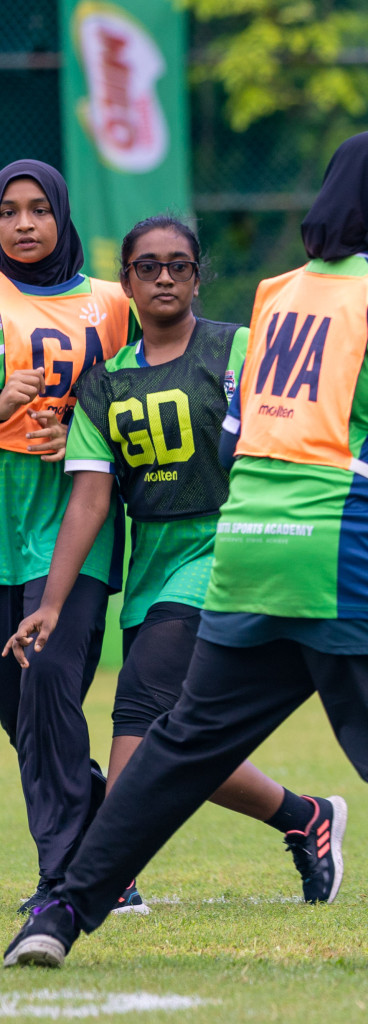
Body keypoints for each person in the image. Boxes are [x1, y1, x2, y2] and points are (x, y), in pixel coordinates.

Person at [4, 131, 368, 972]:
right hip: (346, 556)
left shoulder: (279, 296)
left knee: (182, 747)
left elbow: (251, 431)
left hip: (247, 551)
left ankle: (61, 909)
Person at [4, 216, 348, 913]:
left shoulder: (239, 350)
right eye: (149, 267)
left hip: (226, 550)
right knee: (181, 739)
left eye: (179, 266)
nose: (165, 277)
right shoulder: (105, 384)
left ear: (198, 275)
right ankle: (303, 816)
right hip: (155, 565)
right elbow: (90, 502)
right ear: (125, 282)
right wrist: (51, 603)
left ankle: (90, 886)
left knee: (138, 713)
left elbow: (307, 427)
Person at [0, 160, 131, 914]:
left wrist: (87, 435)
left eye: (38, 209)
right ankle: (116, 849)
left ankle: (67, 881)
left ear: (63, 215)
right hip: (3, 525)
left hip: (74, 524)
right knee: (28, 718)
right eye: (9, 211)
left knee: (47, 683)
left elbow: (155, 394)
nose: (24, 224)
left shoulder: (113, 306)